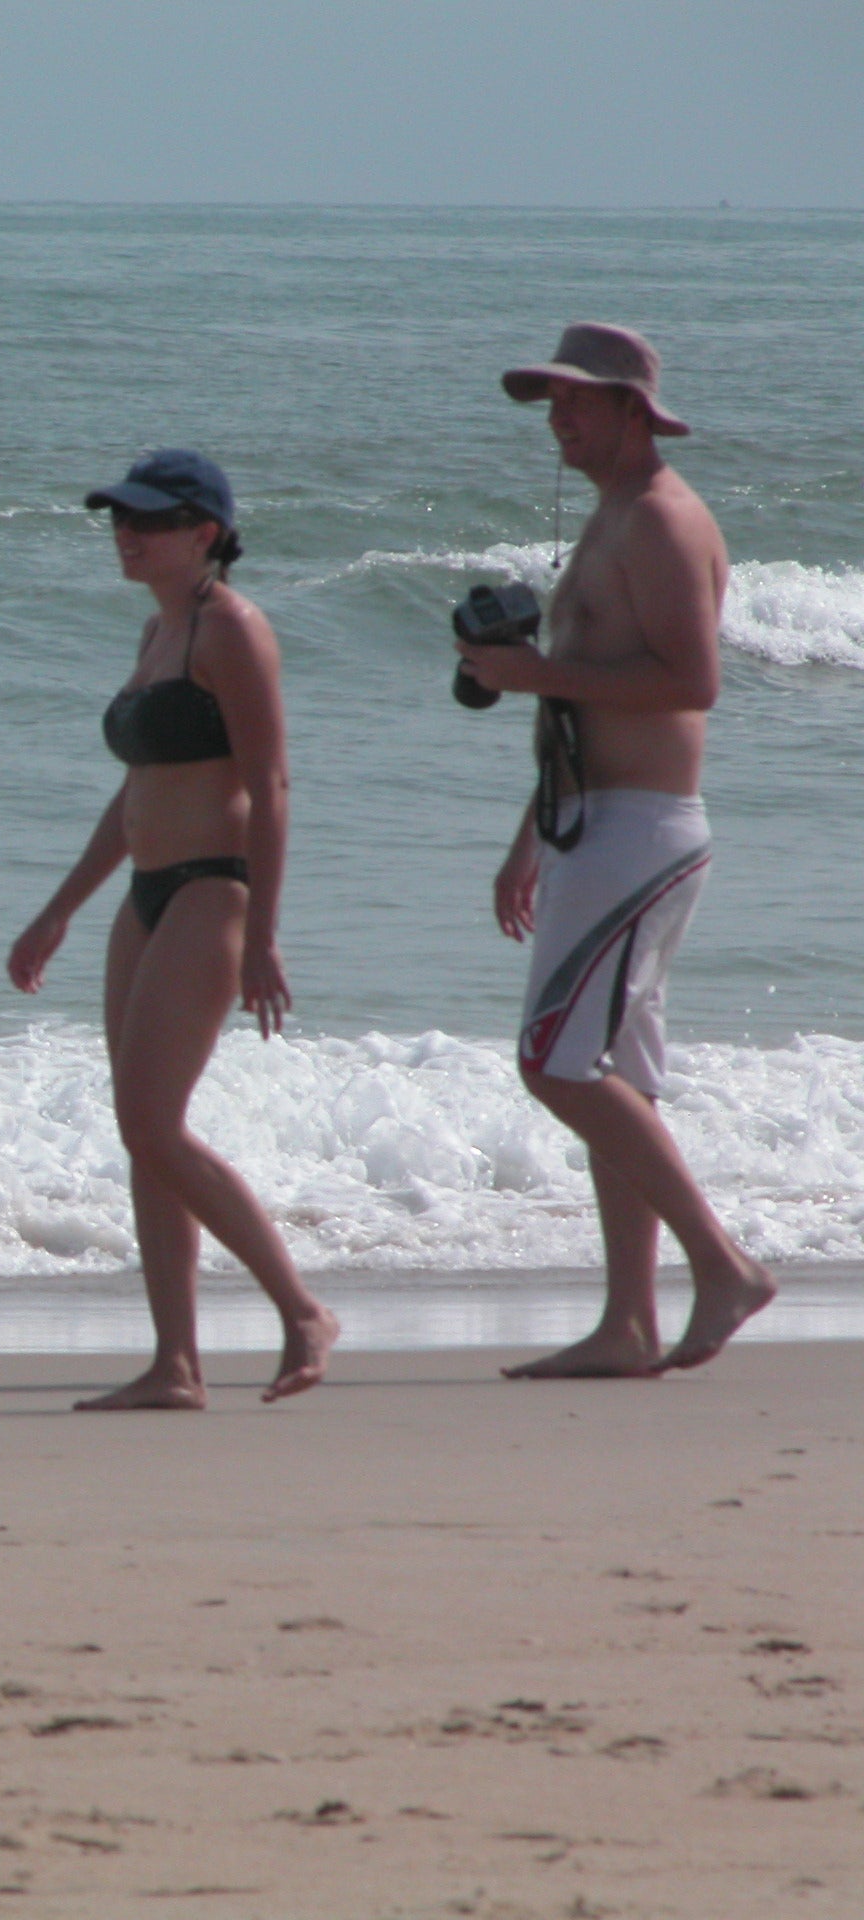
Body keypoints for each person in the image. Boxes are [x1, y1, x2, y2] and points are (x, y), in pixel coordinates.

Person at [458, 323, 776, 1378]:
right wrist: (527, 835)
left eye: (576, 402)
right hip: (593, 824)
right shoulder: (609, 519)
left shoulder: (661, 522)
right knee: (613, 1079)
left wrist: (531, 679)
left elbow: (693, 684)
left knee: (553, 1062)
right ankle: (628, 1323)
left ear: (634, 410)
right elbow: (584, 682)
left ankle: (721, 1264)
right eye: (550, 402)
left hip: (641, 832)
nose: (557, 418)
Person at [9, 451, 340, 1411]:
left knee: (153, 1123)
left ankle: (303, 1310)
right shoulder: (159, 631)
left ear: (205, 534)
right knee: (143, 1136)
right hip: (145, 896)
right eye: (119, 518)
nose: (127, 533)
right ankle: (176, 1364)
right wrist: (60, 908)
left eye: (147, 521)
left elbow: (272, 784)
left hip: (212, 893)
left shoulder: (232, 631)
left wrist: (267, 935)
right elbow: (136, 793)